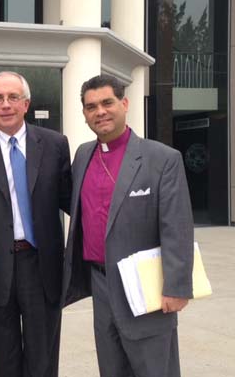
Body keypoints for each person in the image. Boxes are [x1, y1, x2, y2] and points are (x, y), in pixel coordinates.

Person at [62, 74, 194, 377]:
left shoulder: (162, 158)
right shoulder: (83, 155)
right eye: (91, 106)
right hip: (100, 282)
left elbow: (177, 226)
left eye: (107, 102)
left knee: (153, 369)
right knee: (111, 368)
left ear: (124, 103)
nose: (100, 112)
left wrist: (176, 286)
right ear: (84, 114)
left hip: (146, 284)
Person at [0, 71, 72, 377]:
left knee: (42, 358)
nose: (6, 104)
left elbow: (71, 201)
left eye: (13, 97)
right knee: (3, 360)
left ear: (26, 104)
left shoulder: (55, 144)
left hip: (42, 266)